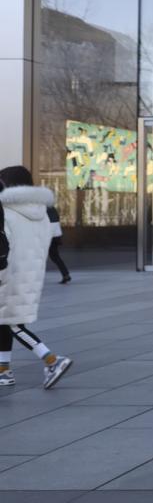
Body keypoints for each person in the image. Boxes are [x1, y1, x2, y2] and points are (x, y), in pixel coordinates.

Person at [0, 165, 74, 389]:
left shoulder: (7, 211)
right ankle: (4, 371)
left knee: (12, 324)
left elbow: (4, 245)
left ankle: (52, 360)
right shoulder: (41, 211)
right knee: (5, 321)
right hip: (30, 275)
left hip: (8, 273)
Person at [47, 202, 71, 284]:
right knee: (55, 257)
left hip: (48, 235)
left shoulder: (43, 208)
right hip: (56, 235)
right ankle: (66, 274)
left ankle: (66, 274)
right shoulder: (51, 208)